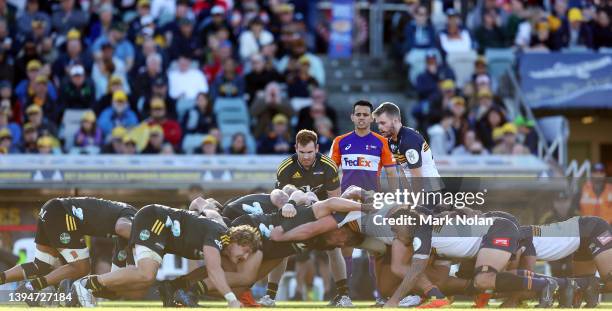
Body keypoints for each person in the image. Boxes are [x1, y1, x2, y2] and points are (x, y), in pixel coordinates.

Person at [72, 204, 261, 307]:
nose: (244, 258)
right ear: (239, 241)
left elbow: (204, 205)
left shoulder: (222, 235)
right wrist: (231, 299)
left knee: (138, 287)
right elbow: (213, 270)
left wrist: (200, 205)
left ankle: (172, 288)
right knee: (146, 274)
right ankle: (85, 285)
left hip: (159, 229)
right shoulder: (223, 236)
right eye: (245, 251)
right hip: (155, 221)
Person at [1, 198, 135, 306]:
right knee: (81, 267)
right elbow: (122, 227)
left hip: (52, 209)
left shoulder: (130, 227)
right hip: (62, 213)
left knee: (40, 265)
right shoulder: (135, 219)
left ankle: (11, 281)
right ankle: (31, 287)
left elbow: (118, 270)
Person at [373, 102, 441, 194]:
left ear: (395, 120)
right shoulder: (392, 140)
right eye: (378, 124)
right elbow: (402, 170)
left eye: (383, 123)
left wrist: (416, 201)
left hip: (429, 190)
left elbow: (417, 176)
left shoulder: (409, 140)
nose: (379, 127)